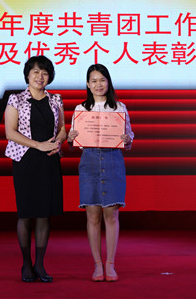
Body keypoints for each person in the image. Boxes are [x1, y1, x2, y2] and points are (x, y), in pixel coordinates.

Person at [67, 64, 134, 282]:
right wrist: (71, 138)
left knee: (111, 215)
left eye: (102, 80)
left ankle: (111, 264)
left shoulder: (119, 108)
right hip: (89, 161)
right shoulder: (81, 109)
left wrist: (127, 139)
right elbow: (73, 143)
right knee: (93, 215)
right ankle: (97, 265)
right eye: (94, 81)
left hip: (113, 160)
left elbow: (129, 139)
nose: (98, 85)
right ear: (88, 84)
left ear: (108, 82)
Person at [4, 56, 67, 283]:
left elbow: (62, 128)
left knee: (43, 214)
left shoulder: (55, 99)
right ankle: (26, 264)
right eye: (36, 72)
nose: (40, 77)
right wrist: (38, 145)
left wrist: (58, 142)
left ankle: (40, 264)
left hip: (49, 160)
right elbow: (10, 132)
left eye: (45, 73)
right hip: (25, 160)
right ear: (27, 75)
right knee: (26, 214)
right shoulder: (16, 99)